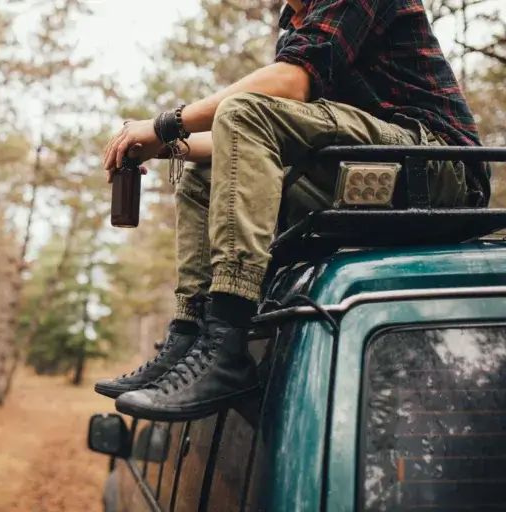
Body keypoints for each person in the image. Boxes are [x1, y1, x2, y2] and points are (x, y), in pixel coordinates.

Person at [95, 0, 490, 421]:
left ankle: (227, 344)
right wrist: (168, 147)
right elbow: (246, 129)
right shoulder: (300, 25)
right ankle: (189, 336)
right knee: (203, 176)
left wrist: (164, 125)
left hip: (438, 166)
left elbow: (284, 87)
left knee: (244, 109)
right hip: (372, 159)